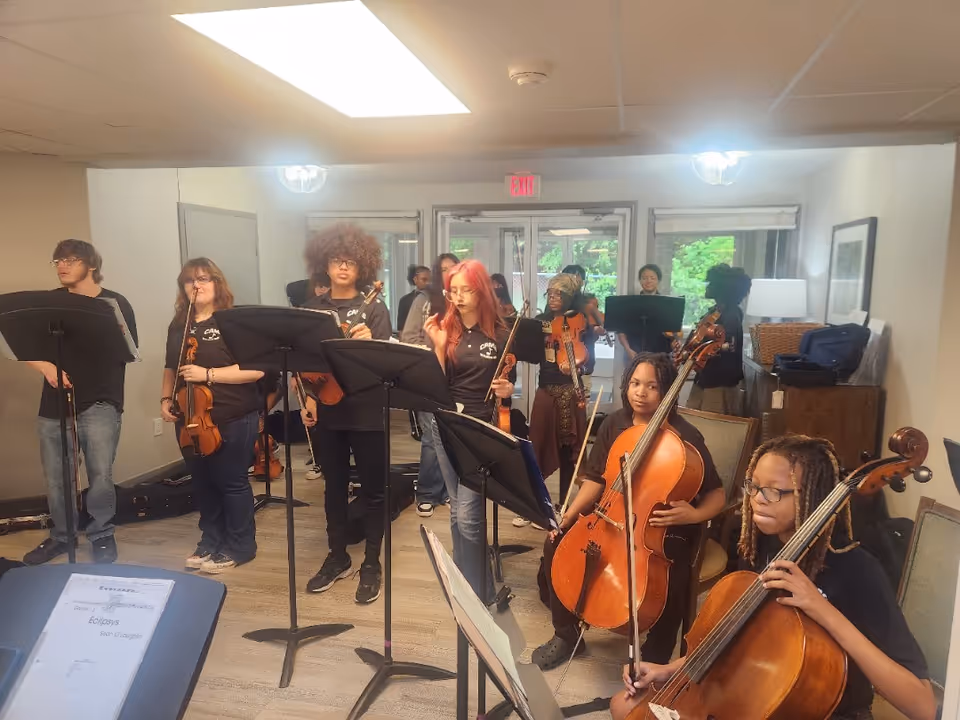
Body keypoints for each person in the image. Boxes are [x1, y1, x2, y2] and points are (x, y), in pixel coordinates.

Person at [612, 435, 937, 720]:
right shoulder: (762, 545)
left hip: (819, 708)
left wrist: (820, 609)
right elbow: (736, 634)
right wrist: (669, 669)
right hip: (751, 688)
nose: (757, 500)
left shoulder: (858, 569)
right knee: (625, 706)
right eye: (753, 486)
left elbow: (922, 706)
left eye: (775, 491)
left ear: (814, 496)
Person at [532, 352, 724, 671]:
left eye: (651, 386)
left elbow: (716, 494)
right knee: (557, 540)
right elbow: (596, 479)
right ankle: (565, 634)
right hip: (612, 512)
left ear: (668, 392)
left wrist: (692, 515)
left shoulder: (685, 437)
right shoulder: (615, 423)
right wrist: (569, 514)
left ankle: (656, 655)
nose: (640, 392)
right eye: (635, 383)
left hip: (663, 524)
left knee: (672, 573)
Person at [24, 240, 138, 566]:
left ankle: (102, 536)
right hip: (53, 404)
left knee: (100, 475)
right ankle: (62, 537)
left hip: (100, 401)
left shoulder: (113, 303)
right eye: (58, 259)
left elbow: (129, 350)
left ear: (90, 264)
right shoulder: (51, 302)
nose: (62, 265)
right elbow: (26, 345)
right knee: (57, 478)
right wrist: (46, 367)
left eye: (71, 260)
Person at [300, 224, 392, 604]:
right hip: (328, 410)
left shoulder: (375, 309)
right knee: (332, 488)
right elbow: (305, 363)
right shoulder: (313, 311)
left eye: (351, 262)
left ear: (362, 268)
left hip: (368, 410)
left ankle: (372, 561)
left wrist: (372, 345)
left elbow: (388, 366)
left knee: (373, 491)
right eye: (337, 260)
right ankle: (337, 556)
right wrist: (307, 397)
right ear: (326, 262)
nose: (342, 267)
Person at [161, 258, 263, 573]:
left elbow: (255, 370)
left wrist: (208, 373)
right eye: (190, 280)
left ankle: (241, 546)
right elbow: (170, 366)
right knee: (203, 483)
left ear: (217, 283)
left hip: (232, 414)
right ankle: (210, 541)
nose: (197, 285)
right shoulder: (180, 324)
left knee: (231, 483)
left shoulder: (234, 322)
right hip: (190, 417)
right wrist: (166, 397)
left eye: (204, 278)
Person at [423, 259, 514, 601]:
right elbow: (434, 384)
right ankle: (467, 583)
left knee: (468, 515)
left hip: (479, 428)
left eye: (466, 290)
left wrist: (507, 391)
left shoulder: (501, 334)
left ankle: (479, 591)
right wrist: (437, 346)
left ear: (482, 291)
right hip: (444, 423)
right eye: (453, 290)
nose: (458, 297)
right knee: (457, 508)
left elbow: (507, 383)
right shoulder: (446, 329)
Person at [527, 273, 596, 509]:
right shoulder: (541, 321)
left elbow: (590, 363)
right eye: (551, 293)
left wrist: (579, 364)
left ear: (571, 297)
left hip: (572, 390)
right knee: (537, 447)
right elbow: (534, 356)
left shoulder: (582, 321)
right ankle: (537, 504)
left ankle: (564, 503)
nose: (554, 298)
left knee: (570, 452)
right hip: (546, 389)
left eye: (560, 294)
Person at [401, 252, 459, 518]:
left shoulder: (461, 300)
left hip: (456, 379)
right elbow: (409, 337)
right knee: (430, 437)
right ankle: (426, 492)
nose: (447, 274)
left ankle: (445, 491)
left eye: (452, 269)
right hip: (427, 375)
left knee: (449, 436)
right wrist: (432, 350)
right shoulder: (423, 300)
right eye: (442, 269)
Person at [687, 263, 751, 416]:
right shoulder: (716, 311)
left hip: (719, 382)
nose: (707, 286)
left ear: (722, 289)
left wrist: (704, 350)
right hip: (705, 377)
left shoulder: (731, 315)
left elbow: (728, 345)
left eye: (711, 284)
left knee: (712, 426)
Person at [619, 263, 668, 359]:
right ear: (640, 280)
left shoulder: (667, 304)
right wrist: (628, 349)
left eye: (652, 278)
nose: (648, 281)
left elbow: (674, 331)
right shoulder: (630, 303)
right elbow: (621, 331)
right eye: (644, 278)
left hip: (660, 355)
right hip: (634, 353)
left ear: (658, 280)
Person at [397, 264, 430, 334]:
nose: (428, 283)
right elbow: (401, 330)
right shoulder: (405, 301)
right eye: (424, 280)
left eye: (430, 280)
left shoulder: (437, 300)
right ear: (415, 280)